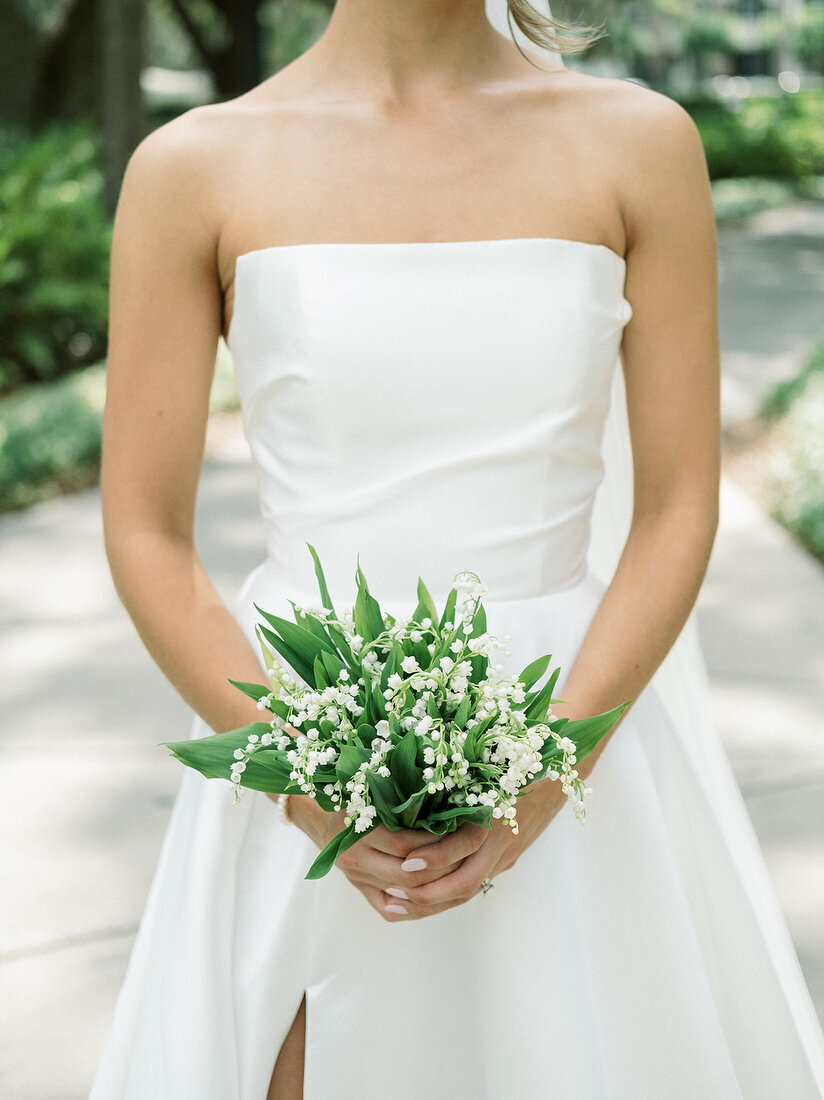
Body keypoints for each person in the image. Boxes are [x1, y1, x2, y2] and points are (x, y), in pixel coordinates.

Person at [91, 1, 824, 1097]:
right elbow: (145, 528)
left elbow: (675, 505)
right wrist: (301, 776)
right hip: (298, 742)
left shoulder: (638, 144)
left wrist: (544, 770)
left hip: (573, 735)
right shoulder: (193, 167)